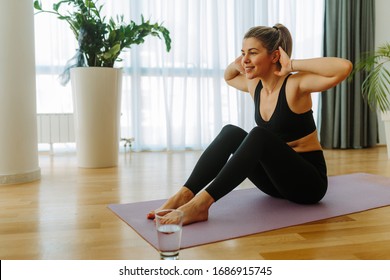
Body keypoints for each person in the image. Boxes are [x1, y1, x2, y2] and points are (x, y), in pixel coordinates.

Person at [147, 23, 352, 226]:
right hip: (275, 184)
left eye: (253, 53)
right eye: (243, 53)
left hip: (308, 185)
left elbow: (344, 68)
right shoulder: (255, 85)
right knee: (231, 133)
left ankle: (201, 205)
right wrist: (241, 63)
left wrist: (292, 65)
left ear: (275, 56)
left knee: (258, 135)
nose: (245, 59)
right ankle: (184, 194)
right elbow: (228, 76)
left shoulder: (295, 85)